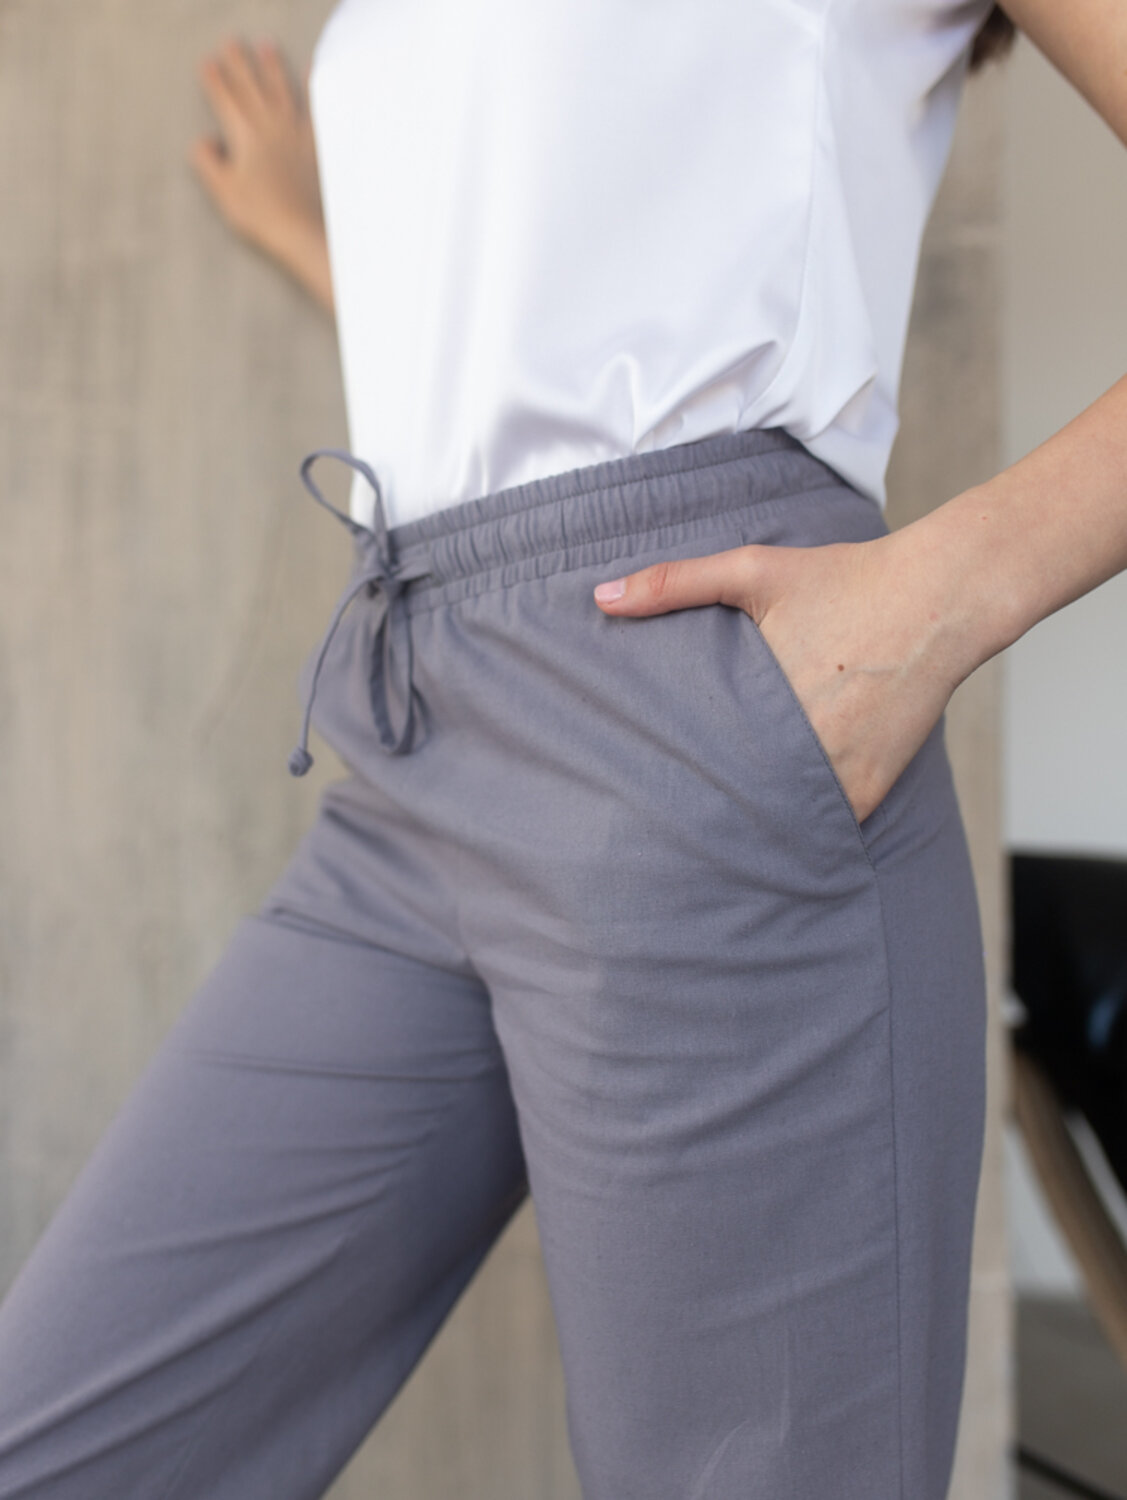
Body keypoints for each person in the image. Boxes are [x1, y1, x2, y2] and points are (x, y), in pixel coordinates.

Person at [0, 2, 1122, 1497]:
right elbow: (547, 322)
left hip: (703, 745)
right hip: (417, 732)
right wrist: (324, 237)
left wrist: (942, 598)